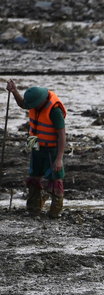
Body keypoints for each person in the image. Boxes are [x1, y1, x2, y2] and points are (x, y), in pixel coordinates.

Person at [6, 80, 67, 218]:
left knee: (55, 180)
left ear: (41, 101)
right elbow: (22, 104)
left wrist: (59, 159)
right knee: (33, 178)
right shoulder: (35, 104)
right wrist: (14, 91)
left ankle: (54, 213)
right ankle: (33, 209)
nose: (30, 107)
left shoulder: (54, 111)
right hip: (35, 144)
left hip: (52, 148)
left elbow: (62, 135)